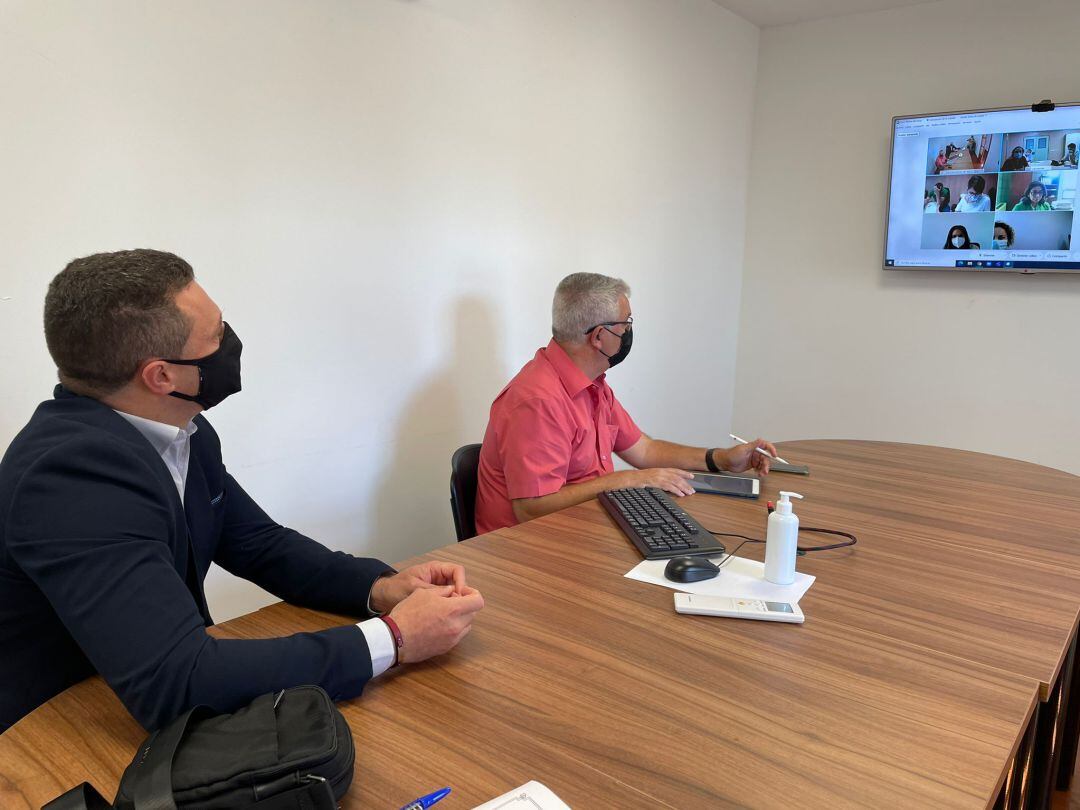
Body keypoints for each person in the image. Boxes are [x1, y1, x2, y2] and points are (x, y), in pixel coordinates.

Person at [0, 249, 485, 732]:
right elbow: (179, 679)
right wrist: (393, 639)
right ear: (161, 375)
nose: (229, 343)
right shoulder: (71, 477)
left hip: (127, 700)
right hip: (58, 734)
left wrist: (380, 588)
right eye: (216, 336)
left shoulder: (184, 432)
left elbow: (257, 543)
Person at [473, 273, 777, 534]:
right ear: (599, 337)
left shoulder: (592, 385)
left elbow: (645, 450)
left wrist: (723, 459)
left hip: (580, 530)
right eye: (626, 323)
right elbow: (531, 509)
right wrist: (628, 480)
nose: (630, 331)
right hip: (524, 554)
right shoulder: (537, 400)